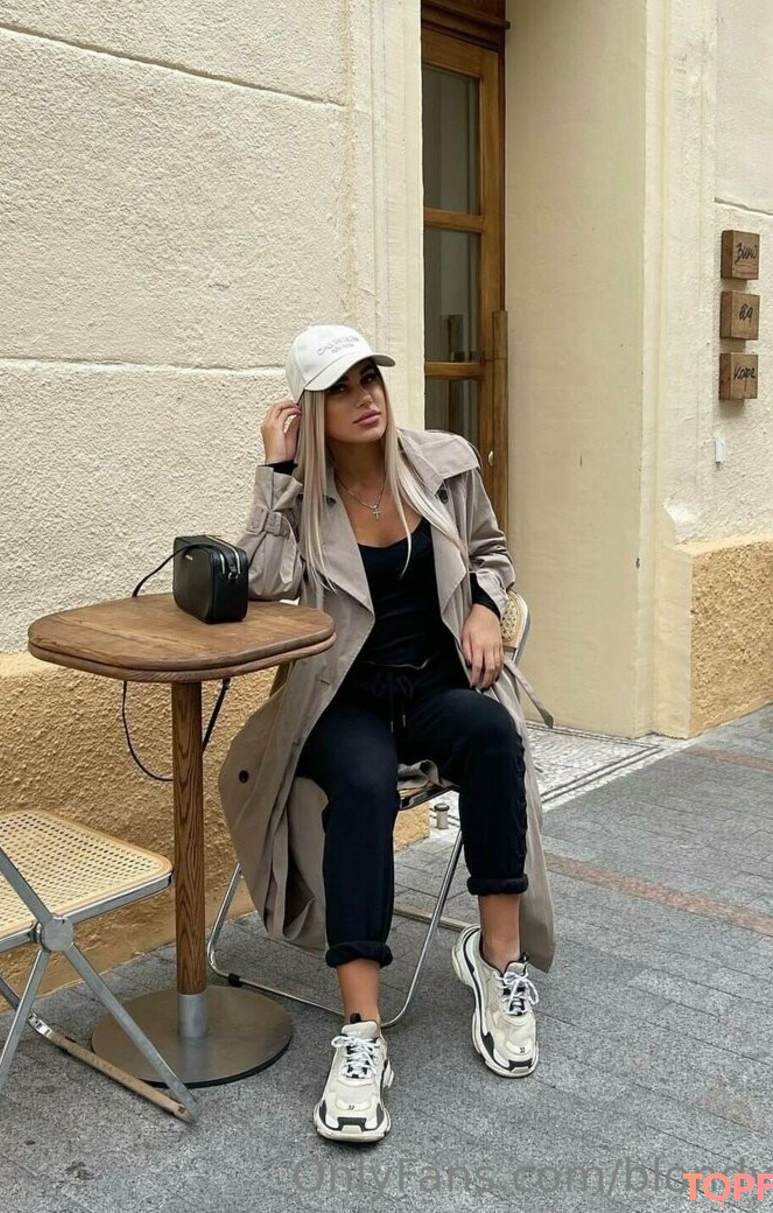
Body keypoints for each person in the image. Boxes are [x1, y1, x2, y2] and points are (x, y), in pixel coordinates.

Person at [218, 324, 555, 1144]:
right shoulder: (303, 495)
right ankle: (362, 1031)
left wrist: (485, 608)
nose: (364, 396)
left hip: (436, 685)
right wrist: (276, 474)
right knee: (364, 783)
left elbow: (491, 551)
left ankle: (498, 962)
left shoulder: (443, 463)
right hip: (343, 699)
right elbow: (259, 583)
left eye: (369, 377)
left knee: (493, 736)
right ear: (309, 409)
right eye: (339, 387)